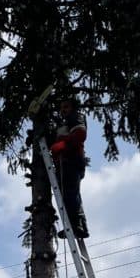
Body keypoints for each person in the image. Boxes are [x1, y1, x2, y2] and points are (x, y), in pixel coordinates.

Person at [50, 97, 90, 239]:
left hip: (72, 160)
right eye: (61, 108)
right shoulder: (64, 123)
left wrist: (62, 144)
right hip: (66, 162)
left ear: (73, 107)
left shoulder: (76, 117)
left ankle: (76, 225)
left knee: (70, 194)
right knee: (69, 194)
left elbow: (80, 134)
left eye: (66, 107)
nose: (63, 110)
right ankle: (78, 225)